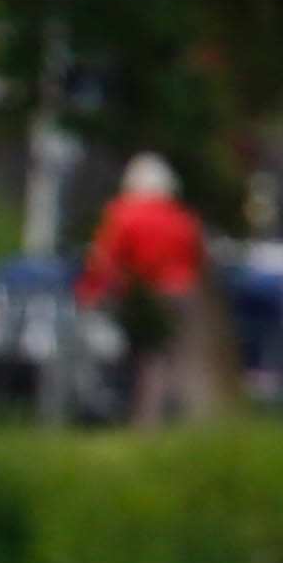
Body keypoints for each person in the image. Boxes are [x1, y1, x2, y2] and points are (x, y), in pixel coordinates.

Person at [81, 156, 211, 425]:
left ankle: (144, 418)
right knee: (175, 357)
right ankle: (180, 416)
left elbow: (105, 259)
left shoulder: (125, 213)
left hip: (145, 293)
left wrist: (90, 292)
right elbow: (197, 257)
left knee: (146, 357)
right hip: (182, 293)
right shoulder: (182, 218)